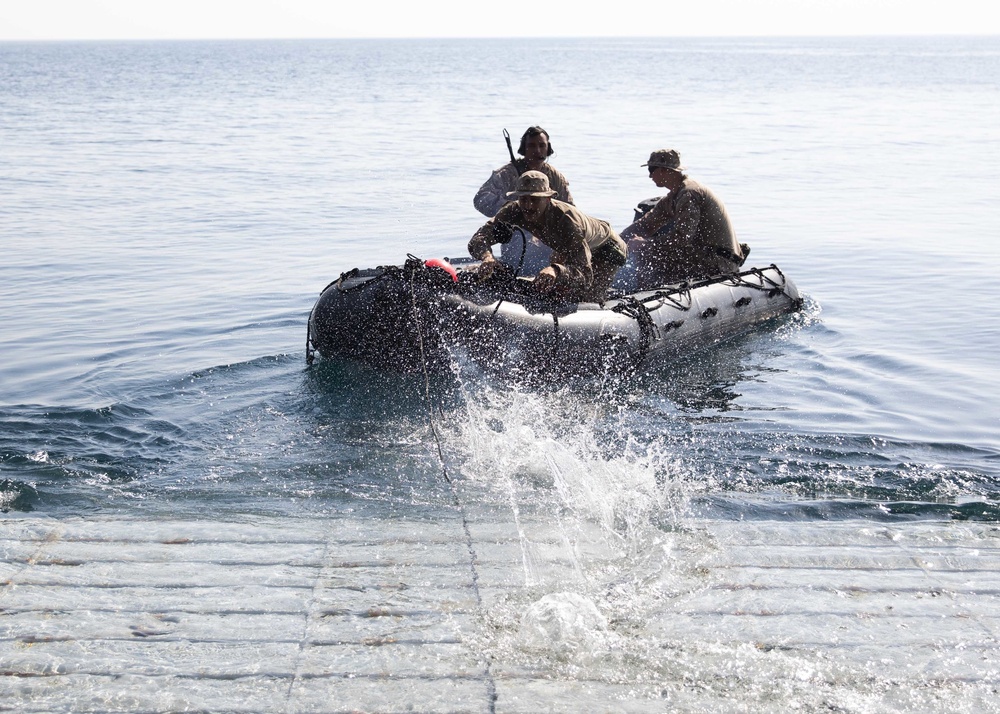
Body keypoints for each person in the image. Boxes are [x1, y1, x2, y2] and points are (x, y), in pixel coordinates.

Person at [469, 171, 626, 304]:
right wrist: (487, 257)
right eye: (523, 199)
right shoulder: (513, 211)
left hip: (606, 248)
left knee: (584, 297)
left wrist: (556, 270)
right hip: (566, 246)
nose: (528, 206)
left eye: (535, 199)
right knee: (552, 290)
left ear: (548, 199)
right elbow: (480, 237)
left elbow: (584, 274)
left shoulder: (567, 221)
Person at [620, 149, 747, 288]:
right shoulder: (675, 195)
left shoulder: (689, 194)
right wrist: (616, 241)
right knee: (647, 250)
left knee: (647, 253)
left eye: (651, 170)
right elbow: (646, 224)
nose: (650, 176)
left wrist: (645, 245)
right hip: (704, 254)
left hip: (719, 261)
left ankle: (646, 297)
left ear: (664, 170)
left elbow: (682, 238)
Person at [474, 126, 574, 217]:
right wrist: (512, 208)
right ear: (524, 148)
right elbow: (481, 199)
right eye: (532, 146)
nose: (538, 151)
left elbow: (570, 209)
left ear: (548, 148)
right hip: (514, 227)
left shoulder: (554, 176)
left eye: (542, 145)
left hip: (544, 231)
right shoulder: (507, 174)